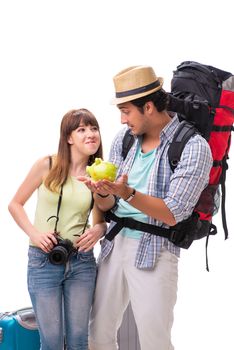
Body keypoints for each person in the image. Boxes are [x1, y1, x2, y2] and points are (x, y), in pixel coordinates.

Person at [78, 66, 213, 350]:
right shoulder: (124, 139)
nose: (122, 119)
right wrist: (102, 194)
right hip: (115, 246)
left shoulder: (193, 146)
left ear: (148, 107)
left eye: (126, 111)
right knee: (98, 335)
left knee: (154, 341)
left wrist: (127, 192)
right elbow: (110, 203)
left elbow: (173, 212)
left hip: (157, 249)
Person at [8, 108, 107, 350]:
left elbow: (103, 220)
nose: (91, 134)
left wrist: (99, 230)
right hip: (43, 260)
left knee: (78, 341)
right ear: (68, 137)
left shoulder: (100, 174)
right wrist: (34, 233)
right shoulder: (47, 164)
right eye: (82, 129)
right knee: (51, 343)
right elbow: (15, 204)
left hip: (82, 261)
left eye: (94, 128)